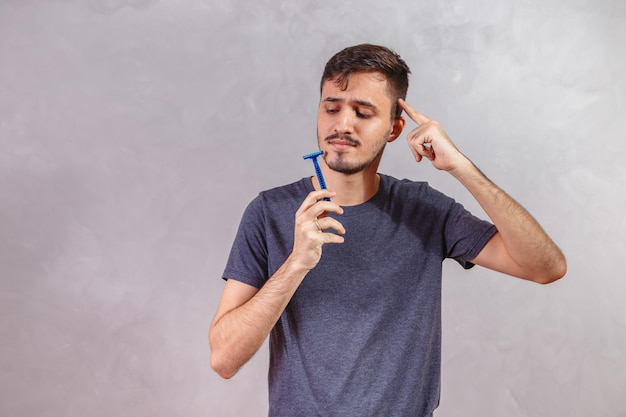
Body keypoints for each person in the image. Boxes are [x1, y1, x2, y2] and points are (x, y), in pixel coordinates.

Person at [209, 44, 566, 416]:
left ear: (395, 128)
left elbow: (545, 267)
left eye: (362, 113)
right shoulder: (269, 212)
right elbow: (224, 358)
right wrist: (296, 263)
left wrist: (460, 166)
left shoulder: (425, 210)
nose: (342, 124)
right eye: (331, 108)